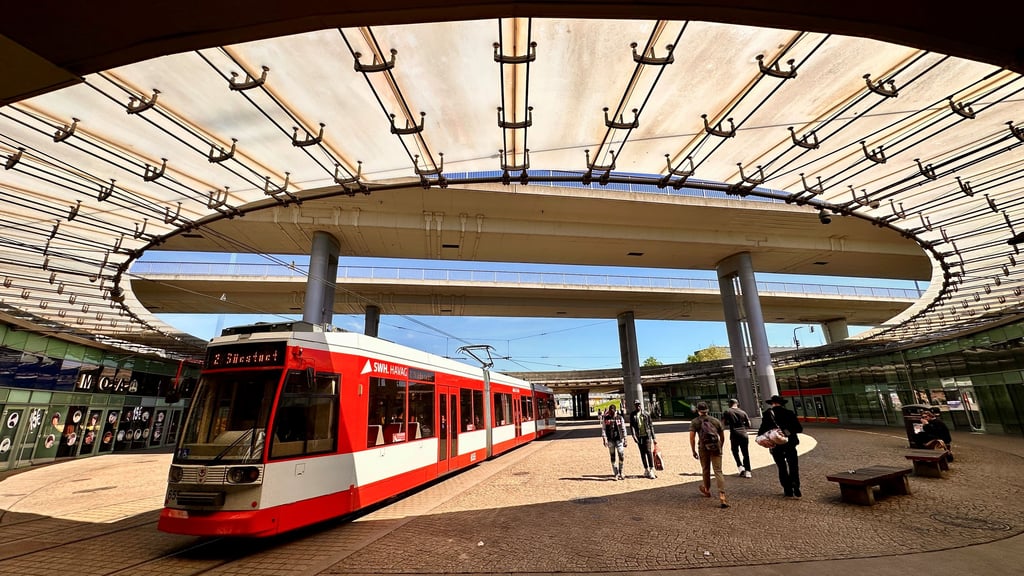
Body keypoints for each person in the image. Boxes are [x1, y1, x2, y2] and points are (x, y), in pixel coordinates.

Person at [757, 394, 804, 498]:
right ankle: (795, 484)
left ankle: (787, 490)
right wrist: (786, 432)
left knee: (781, 467)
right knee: (793, 466)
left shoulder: (767, 414)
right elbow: (799, 429)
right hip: (790, 444)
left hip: (776, 445)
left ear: (772, 404)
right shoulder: (789, 413)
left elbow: (761, 431)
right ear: (782, 404)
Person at [689, 402, 729, 508]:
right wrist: (720, 446)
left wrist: (693, 450)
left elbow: (692, 438)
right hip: (716, 447)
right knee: (718, 471)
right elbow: (722, 437)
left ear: (698, 410)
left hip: (703, 448)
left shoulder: (695, 422)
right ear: (708, 410)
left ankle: (707, 490)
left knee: (706, 469)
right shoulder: (715, 421)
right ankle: (722, 495)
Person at [722, 398, 752, 478]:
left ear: (730, 404)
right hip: (744, 434)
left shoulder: (727, 412)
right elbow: (749, 424)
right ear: (737, 404)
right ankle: (748, 471)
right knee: (745, 453)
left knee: (735, 451)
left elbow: (723, 423)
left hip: (734, 434)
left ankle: (740, 467)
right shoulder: (743, 412)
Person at [628, 399, 657, 479]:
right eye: (636, 405)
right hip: (639, 436)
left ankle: (651, 469)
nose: (638, 406)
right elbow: (632, 426)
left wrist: (654, 437)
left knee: (648, 451)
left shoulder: (646, 414)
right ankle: (646, 469)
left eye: (639, 404)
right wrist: (633, 435)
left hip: (647, 436)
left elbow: (651, 426)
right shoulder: (632, 415)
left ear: (641, 405)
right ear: (635, 405)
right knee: (642, 453)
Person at [601, 404, 628, 480]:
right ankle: (616, 473)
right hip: (610, 440)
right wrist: (604, 438)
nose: (611, 413)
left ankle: (621, 471)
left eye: (612, 411)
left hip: (619, 439)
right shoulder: (606, 418)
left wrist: (625, 439)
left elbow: (623, 428)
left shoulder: (620, 418)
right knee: (612, 456)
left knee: (621, 454)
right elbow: (603, 429)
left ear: (615, 411)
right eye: (610, 411)